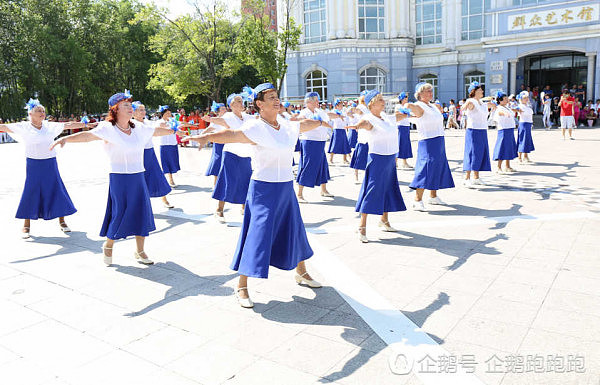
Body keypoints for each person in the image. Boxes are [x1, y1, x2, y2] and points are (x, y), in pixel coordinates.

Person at [182, 83, 324, 308]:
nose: (277, 101)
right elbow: (232, 134)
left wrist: (319, 120)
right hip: (263, 189)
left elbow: (305, 124)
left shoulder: (287, 126)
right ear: (259, 104)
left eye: (277, 97)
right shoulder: (256, 127)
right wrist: (207, 138)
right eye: (271, 98)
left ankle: (302, 273)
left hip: (286, 187)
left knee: (294, 229)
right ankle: (241, 286)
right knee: (257, 234)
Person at [50, 91, 180, 266]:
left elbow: (155, 131)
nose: (130, 108)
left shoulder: (138, 127)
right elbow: (88, 136)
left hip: (138, 177)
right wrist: (66, 138)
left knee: (141, 212)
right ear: (115, 109)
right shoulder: (108, 128)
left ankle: (140, 251)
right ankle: (109, 245)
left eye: (130, 105)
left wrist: (173, 129)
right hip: (119, 179)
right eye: (125, 105)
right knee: (120, 213)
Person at [0, 99, 88, 239]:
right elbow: (3, 127)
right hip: (33, 164)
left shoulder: (49, 126)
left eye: (43, 111)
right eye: (38, 111)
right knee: (31, 191)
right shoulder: (23, 126)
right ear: (30, 113)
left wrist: (86, 123)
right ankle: (26, 225)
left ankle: (62, 221)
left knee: (56, 189)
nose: (42, 113)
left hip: (50, 163)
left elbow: (68, 125)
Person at [350, 90, 407, 243]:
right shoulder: (368, 118)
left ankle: (384, 220)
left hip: (390, 159)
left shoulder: (386, 118)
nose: (384, 102)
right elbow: (365, 124)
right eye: (380, 100)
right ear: (372, 104)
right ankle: (362, 227)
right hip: (377, 159)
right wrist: (356, 126)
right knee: (371, 191)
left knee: (388, 189)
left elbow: (398, 117)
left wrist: (408, 112)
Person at [202, 93, 254, 223]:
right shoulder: (229, 116)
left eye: (242, 101)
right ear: (232, 105)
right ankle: (219, 210)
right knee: (227, 181)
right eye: (239, 101)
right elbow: (222, 121)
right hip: (231, 154)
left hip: (246, 154)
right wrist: (211, 119)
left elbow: (259, 120)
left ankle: (244, 208)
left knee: (246, 181)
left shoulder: (247, 117)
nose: (242, 103)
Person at [405, 83, 455, 211]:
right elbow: (410, 106)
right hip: (427, 141)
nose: (430, 93)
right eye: (427, 91)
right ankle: (417, 199)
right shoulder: (420, 105)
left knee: (437, 167)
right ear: (420, 94)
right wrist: (407, 105)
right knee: (425, 169)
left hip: (438, 139)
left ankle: (433, 196)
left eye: (431, 91)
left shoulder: (432, 106)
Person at [131, 101, 174, 209]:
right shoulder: (131, 124)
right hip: (138, 154)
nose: (143, 112)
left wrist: (173, 129)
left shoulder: (148, 122)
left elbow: (157, 128)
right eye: (141, 110)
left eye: (144, 109)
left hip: (150, 152)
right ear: (134, 112)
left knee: (157, 175)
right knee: (140, 180)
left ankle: (164, 200)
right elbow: (154, 132)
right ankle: (141, 205)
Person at [295, 92, 334, 203]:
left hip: (320, 142)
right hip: (309, 142)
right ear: (309, 102)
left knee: (322, 165)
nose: (318, 102)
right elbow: (301, 121)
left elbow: (328, 117)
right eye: (316, 100)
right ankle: (299, 194)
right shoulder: (305, 112)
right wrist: (320, 123)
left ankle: (324, 190)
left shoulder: (319, 111)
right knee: (307, 166)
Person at [461, 81, 493, 187]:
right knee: (472, 153)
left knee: (480, 153)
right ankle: (466, 178)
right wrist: (466, 105)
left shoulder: (482, 103)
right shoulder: (471, 101)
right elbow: (464, 108)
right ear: (474, 92)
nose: (482, 91)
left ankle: (476, 177)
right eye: (480, 90)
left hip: (482, 130)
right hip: (473, 130)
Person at [491, 91, 518, 174]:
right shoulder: (499, 108)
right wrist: (504, 114)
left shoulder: (507, 107)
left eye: (507, 99)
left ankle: (507, 166)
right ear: (500, 100)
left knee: (509, 148)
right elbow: (499, 113)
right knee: (502, 148)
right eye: (505, 99)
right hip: (503, 130)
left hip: (509, 130)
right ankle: (499, 167)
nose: (507, 100)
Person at [203, 101, 228, 186]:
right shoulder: (215, 120)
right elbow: (209, 129)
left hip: (228, 144)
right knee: (217, 163)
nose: (225, 109)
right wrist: (200, 135)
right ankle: (215, 184)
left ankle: (225, 184)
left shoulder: (229, 118)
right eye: (223, 108)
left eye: (225, 108)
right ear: (218, 111)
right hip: (218, 144)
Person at [156, 105, 180, 187]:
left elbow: (178, 128)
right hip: (164, 145)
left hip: (173, 144)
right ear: (163, 114)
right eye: (168, 113)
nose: (170, 114)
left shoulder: (173, 121)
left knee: (172, 162)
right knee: (166, 163)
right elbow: (160, 128)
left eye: (170, 113)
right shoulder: (159, 122)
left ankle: (170, 179)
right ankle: (170, 180)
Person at [327, 99, 351, 164]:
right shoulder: (334, 111)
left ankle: (345, 159)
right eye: (340, 104)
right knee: (334, 144)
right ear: (336, 105)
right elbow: (330, 117)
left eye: (341, 104)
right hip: (337, 129)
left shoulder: (343, 111)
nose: (341, 105)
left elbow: (347, 119)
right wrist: (339, 116)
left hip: (343, 129)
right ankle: (331, 159)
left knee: (344, 144)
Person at [395, 92, 413, 169]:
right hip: (400, 126)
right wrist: (405, 113)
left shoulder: (407, 106)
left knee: (405, 144)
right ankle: (395, 162)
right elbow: (397, 114)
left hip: (406, 126)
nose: (407, 99)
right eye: (405, 98)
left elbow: (410, 115)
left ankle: (404, 162)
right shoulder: (398, 106)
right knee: (399, 144)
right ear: (402, 99)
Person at [516, 91, 535, 163]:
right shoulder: (520, 106)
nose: (526, 99)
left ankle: (526, 156)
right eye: (524, 98)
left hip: (528, 124)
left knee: (527, 140)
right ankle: (519, 157)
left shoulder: (528, 105)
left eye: (527, 97)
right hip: (523, 124)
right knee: (522, 140)